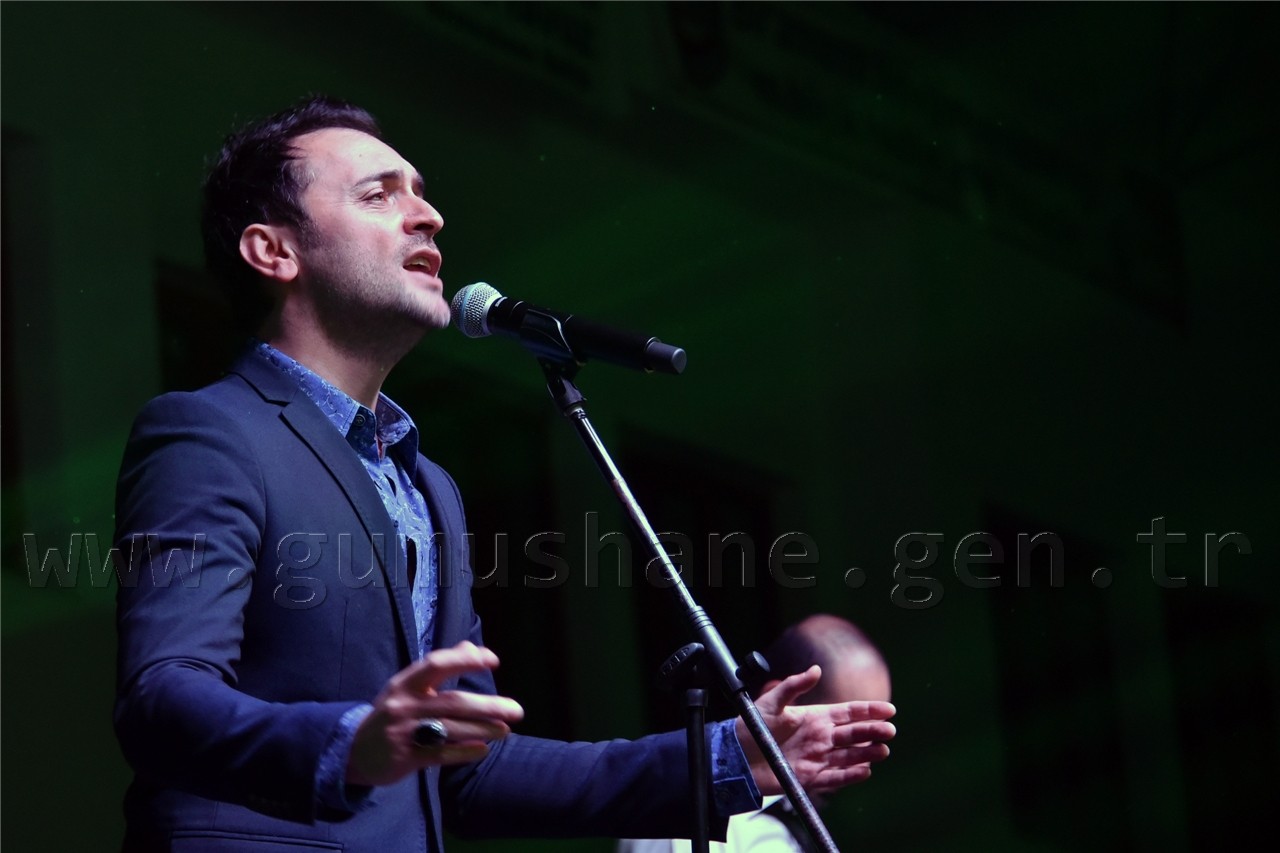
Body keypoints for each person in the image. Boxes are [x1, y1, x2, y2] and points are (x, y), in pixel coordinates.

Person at [112, 96, 897, 853]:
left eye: (421, 192)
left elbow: (472, 770)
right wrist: (351, 740)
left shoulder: (429, 488)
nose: (427, 215)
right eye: (379, 194)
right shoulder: (210, 433)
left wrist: (725, 758)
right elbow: (161, 695)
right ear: (273, 251)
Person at [618, 615, 893, 853]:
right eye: (847, 733)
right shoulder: (688, 819)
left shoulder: (788, 820)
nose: (862, 759)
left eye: (870, 736)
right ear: (787, 703)